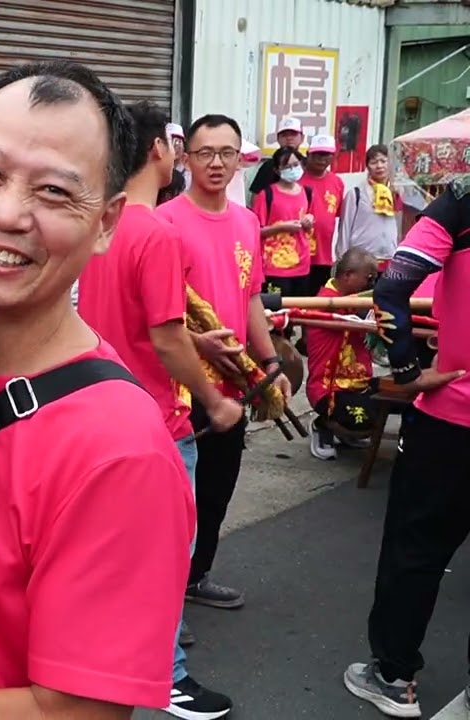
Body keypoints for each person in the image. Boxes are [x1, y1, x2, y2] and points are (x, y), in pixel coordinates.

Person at [0, 60, 194, 719]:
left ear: (108, 222)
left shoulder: (119, 450)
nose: (6, 214)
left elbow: (75, 711)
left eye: (55, 194)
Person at [78, 101, 241, 720]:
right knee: (165, 560)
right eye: (178, 145)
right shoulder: (157, 232)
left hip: (103, 411)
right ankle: (166, 676)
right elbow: (166, 337)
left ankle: (105, 658)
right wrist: (215, 400)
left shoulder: (105, 226)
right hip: (156, 424)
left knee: (113, 557)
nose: (182, 156)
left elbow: (131, 323)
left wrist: (191, 341)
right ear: (157, 152)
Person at [158, 114, 292, 613]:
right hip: (181, 386)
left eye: (227, 153)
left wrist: (271, 360)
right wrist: (199, 344)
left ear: (241, 160)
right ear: (184, 158)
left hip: (236, 384)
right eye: (205, 152)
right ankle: (164, 602)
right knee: (176, 502)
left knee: (217, 489)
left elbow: (251, 297)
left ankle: (197, 576)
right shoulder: (164, 222)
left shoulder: (247, 221)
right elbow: (154, 318)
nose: (216, 163)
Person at [343, 187, 468, 718]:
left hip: (453, 418)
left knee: (415, 552)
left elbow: (392, 284)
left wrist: (409, 372)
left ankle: (393, 676)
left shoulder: (460, 205)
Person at [305, 248, 380, 460]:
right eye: (369, 278)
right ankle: (323, 425)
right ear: (348, 275)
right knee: (362, 420)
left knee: (396, 402)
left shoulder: (356, 300)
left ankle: (344, 431)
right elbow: (361, 323)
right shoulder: (325, 302)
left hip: (360, 382)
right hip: (328, 387)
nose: (371, 283)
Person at [252, 146, 315, 297]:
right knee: (275, 312)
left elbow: (311, 223)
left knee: (298, 313)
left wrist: (309, 221)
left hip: (302, 264)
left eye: (295, 165)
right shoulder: (266, 194)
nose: (293, 169)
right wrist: (280, 228)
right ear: (277, 170)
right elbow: (255, 231)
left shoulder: (307, 192)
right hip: (274, 267)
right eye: (287, 167)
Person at [337, 144, 404, 271]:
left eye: (383, 161)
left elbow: (400, 228)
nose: (379, 166)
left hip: (390, 258)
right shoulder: (356, 194)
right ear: (367, 166)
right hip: (360, 261)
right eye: (374, 162)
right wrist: (342, 260)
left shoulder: (396, 193)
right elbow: (344, 228)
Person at [301, 135, 345, 295]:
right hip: (299, 254)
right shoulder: (297, 181)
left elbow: (337, 216)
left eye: (326, 155)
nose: (321, 159)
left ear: (333, 156)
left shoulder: (337, 182)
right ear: (308, 154)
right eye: (317, 154)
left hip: (324, 255)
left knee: (318, 299)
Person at [249, 116, 305, 196]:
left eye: (293, 134)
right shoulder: (268, 166)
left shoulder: (308, 165)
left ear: (302, 138)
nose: (289, 138)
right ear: (278, 139)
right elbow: (256, 197)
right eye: (284, 135)